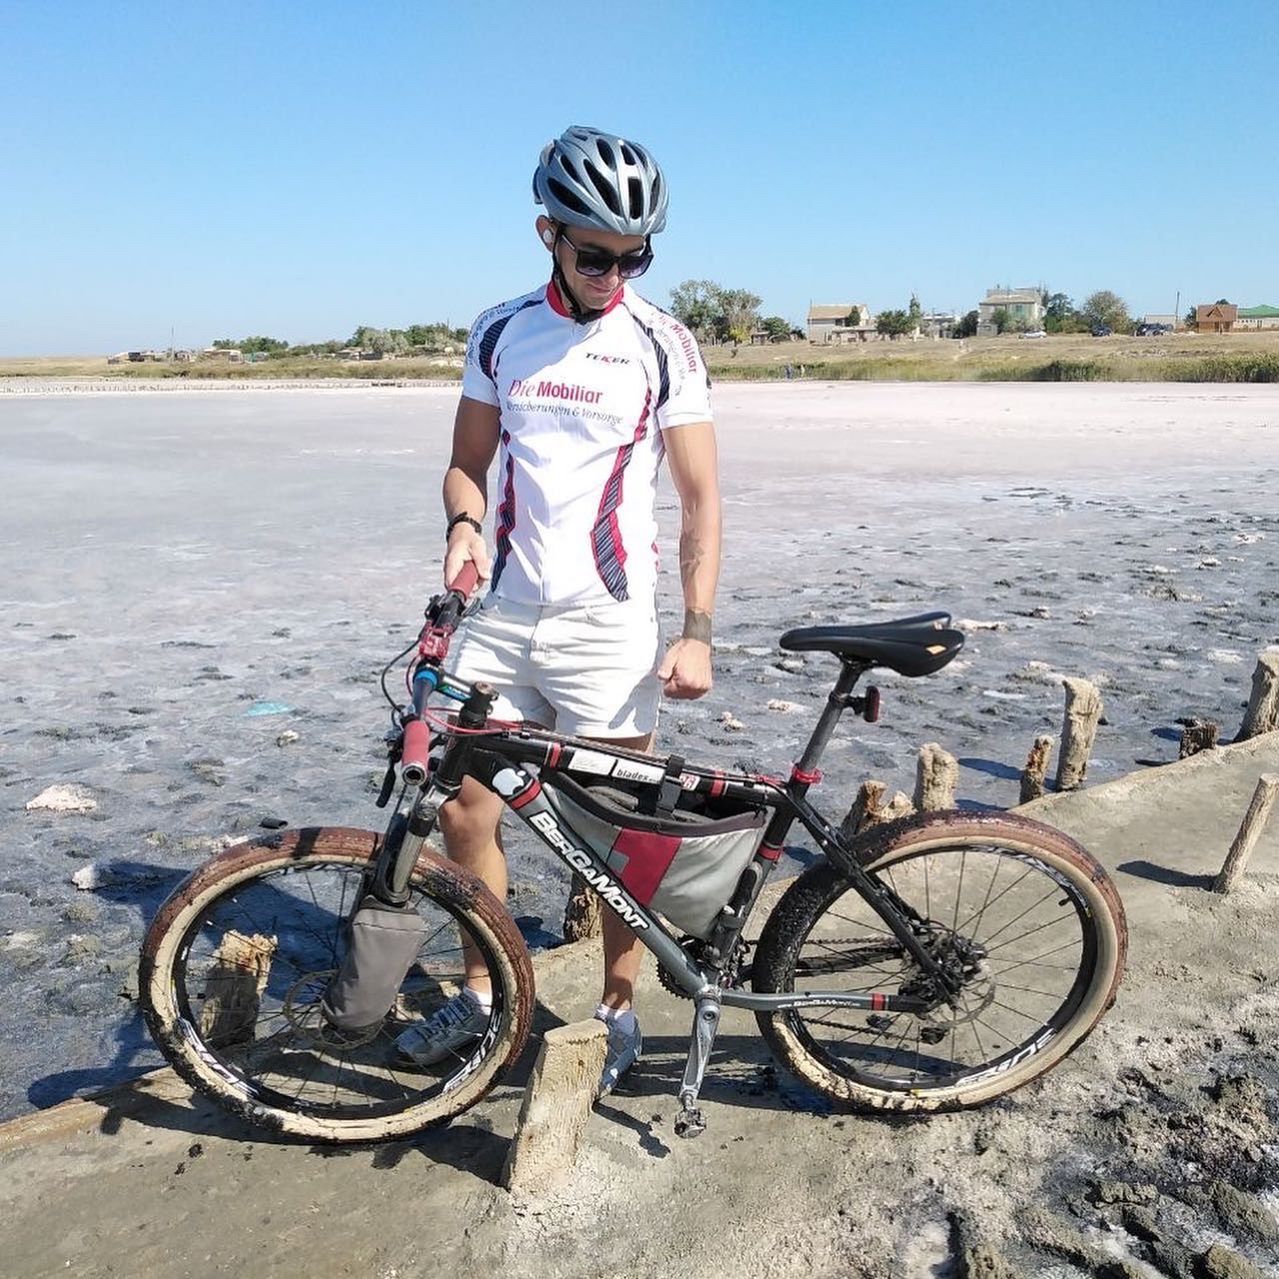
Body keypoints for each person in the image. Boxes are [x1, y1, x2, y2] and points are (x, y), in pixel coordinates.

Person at [394, 126, 721, 1096]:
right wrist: (462, 524)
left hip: (609, 624)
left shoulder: (662, 343)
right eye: (594, 254)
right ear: (548, 233)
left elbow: (701, 500)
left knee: (620, 833)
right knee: (463, 807)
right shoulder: (500, 331)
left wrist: (695, 629)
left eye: (635, 256)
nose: (614, 273)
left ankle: (616, 1011)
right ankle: (486, 995)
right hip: (501, 612)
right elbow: (467, 462)